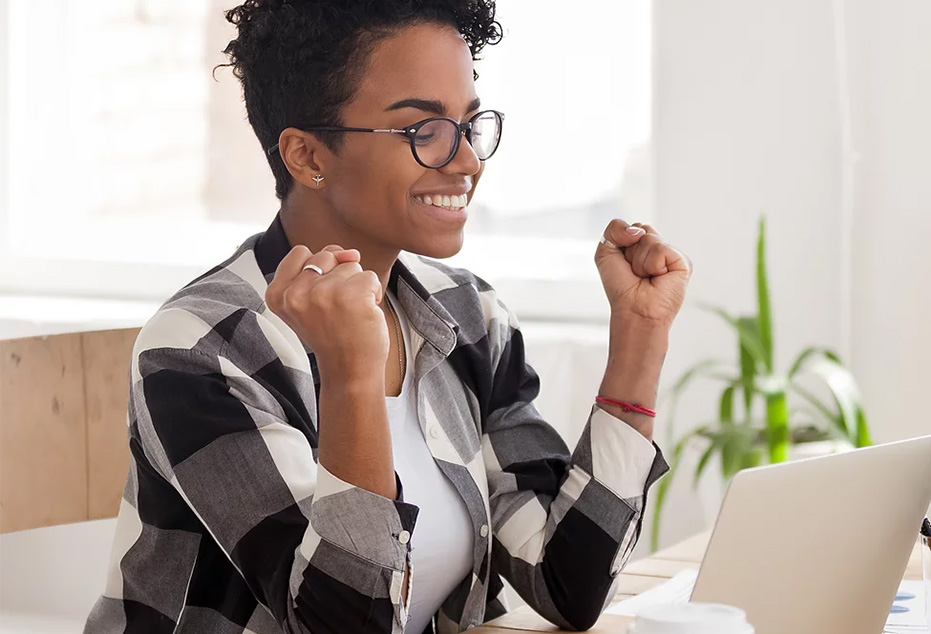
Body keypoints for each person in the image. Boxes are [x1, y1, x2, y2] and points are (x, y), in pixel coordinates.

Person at [83, 1, 692, 633]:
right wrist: (353, 376)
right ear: (307, 156)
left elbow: (569, 583)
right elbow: (346, 623)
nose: (466, 162)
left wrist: (639, 339)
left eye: (468, 124)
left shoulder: (469, 317)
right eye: (422, 131)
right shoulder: (202, 349)